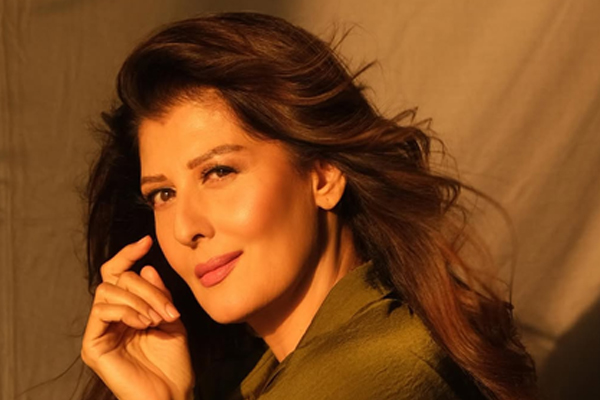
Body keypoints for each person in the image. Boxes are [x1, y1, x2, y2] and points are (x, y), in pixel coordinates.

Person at [79, 12, 538, 400]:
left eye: (218, 172)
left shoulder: (362, 379)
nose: (185, 227)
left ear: (323, 177)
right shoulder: (347, 353)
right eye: (163, 194)